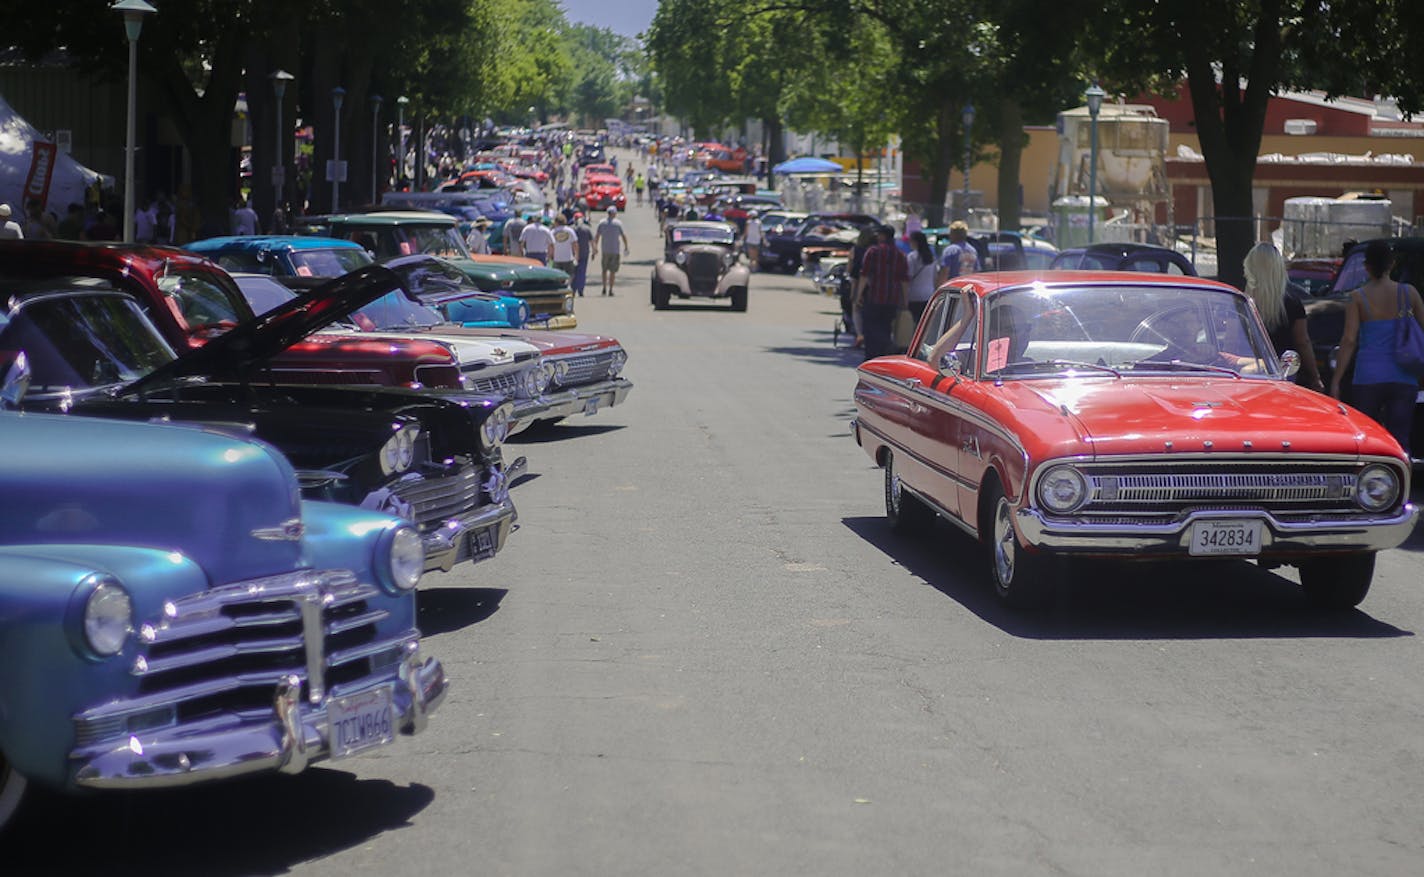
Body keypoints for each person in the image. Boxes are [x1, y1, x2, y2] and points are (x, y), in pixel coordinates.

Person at [1331, 239, 1424, 456]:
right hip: (1404, 375)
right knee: (1400, 439)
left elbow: (1349, 340)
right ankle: (1402, 481)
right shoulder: (1409, 293)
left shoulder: (1357, 298)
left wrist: (1336, 380)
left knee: (1367, 438)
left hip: (1368, 376)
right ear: (1392, 264)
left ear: (1367, 267)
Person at [1242, 242, 1324, 391]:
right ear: (1278, 268)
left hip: (1248, 371)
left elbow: (1231, 339)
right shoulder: (1292, 301)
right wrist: (1315, 377)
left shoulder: (1243, 302)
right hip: (1284, 370)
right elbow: (1302, 342)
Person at [854, 224, 909, 361]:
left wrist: (859, 295)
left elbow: (865, 275)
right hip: (892, 298)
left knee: (870, 328)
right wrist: (905, 300)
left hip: (874, 296)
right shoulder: (900, 255)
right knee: (885, 326)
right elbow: (904, 280)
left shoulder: (872, 251)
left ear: (882, 236)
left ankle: (872, 357)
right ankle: (883, 353)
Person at [591, 206, 629, 295]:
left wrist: (595, 247)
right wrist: (626, 246)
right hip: (615, 250)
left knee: (604, 270)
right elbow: (623, 236)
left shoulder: (602, 223)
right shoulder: (618, 223)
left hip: (605, 250)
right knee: (612, 271)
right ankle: (611, 289)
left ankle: (604, 287)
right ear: (614, 214)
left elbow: (597, 236)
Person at [906, 230, 937, 323]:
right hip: (928, 295)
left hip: (914, 295)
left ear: (915, 242)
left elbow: (908, 276)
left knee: (914, 323)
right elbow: (935, 277)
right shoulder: (932, 258)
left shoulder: (912, 257)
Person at [935, 220, 979, 287]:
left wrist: (939, 289)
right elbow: (976, 272)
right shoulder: (973, 251)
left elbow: (944, 273)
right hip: (968, 288)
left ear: (953, 234)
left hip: (953, 288)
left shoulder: (950, 250)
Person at [549, 213, 579, 278]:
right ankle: (568, 285)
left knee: (557, 275)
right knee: (570, 274)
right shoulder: (570, 231)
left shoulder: (553, 232)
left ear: (556, 222)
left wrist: (550, 255)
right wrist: (576, 256)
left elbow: (551, 246)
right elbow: (575, 244)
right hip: (568, 257)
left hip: (557, 258)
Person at [572, 212, 593, 297]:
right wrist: (594, 251)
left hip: (573, 254)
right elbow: (592, 241)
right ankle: (580, 290)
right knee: (582, 272)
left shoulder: (571, 229)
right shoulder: (587, 229)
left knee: (573, 272)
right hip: (584, 254)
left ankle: (573, 290)